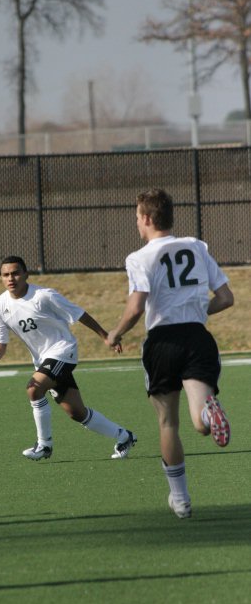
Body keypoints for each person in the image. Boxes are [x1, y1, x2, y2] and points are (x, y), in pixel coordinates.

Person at [106, 188, 234, 519]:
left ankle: (181, 499)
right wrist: (193, 309)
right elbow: (225, 298)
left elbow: (136, 307)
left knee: (168, 423)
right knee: (199, 423)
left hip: (162, 342)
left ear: (147, 218)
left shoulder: (139, 257)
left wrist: (115, 333)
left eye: (137, 217)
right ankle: (209, 413)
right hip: (197, 336)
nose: (136, 223)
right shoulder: (197, 246)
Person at [0, 255, 137, 460]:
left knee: (34, 388)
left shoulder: (44, 296)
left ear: (26, 274)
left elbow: (79, 314)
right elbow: (0, 342)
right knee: (76, 412)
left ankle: (44, 445)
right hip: (44, 360)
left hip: (63, 351)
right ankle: (124, 436)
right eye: (5, 275)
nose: (11, 278)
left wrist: (105, 336)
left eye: (15, 273)